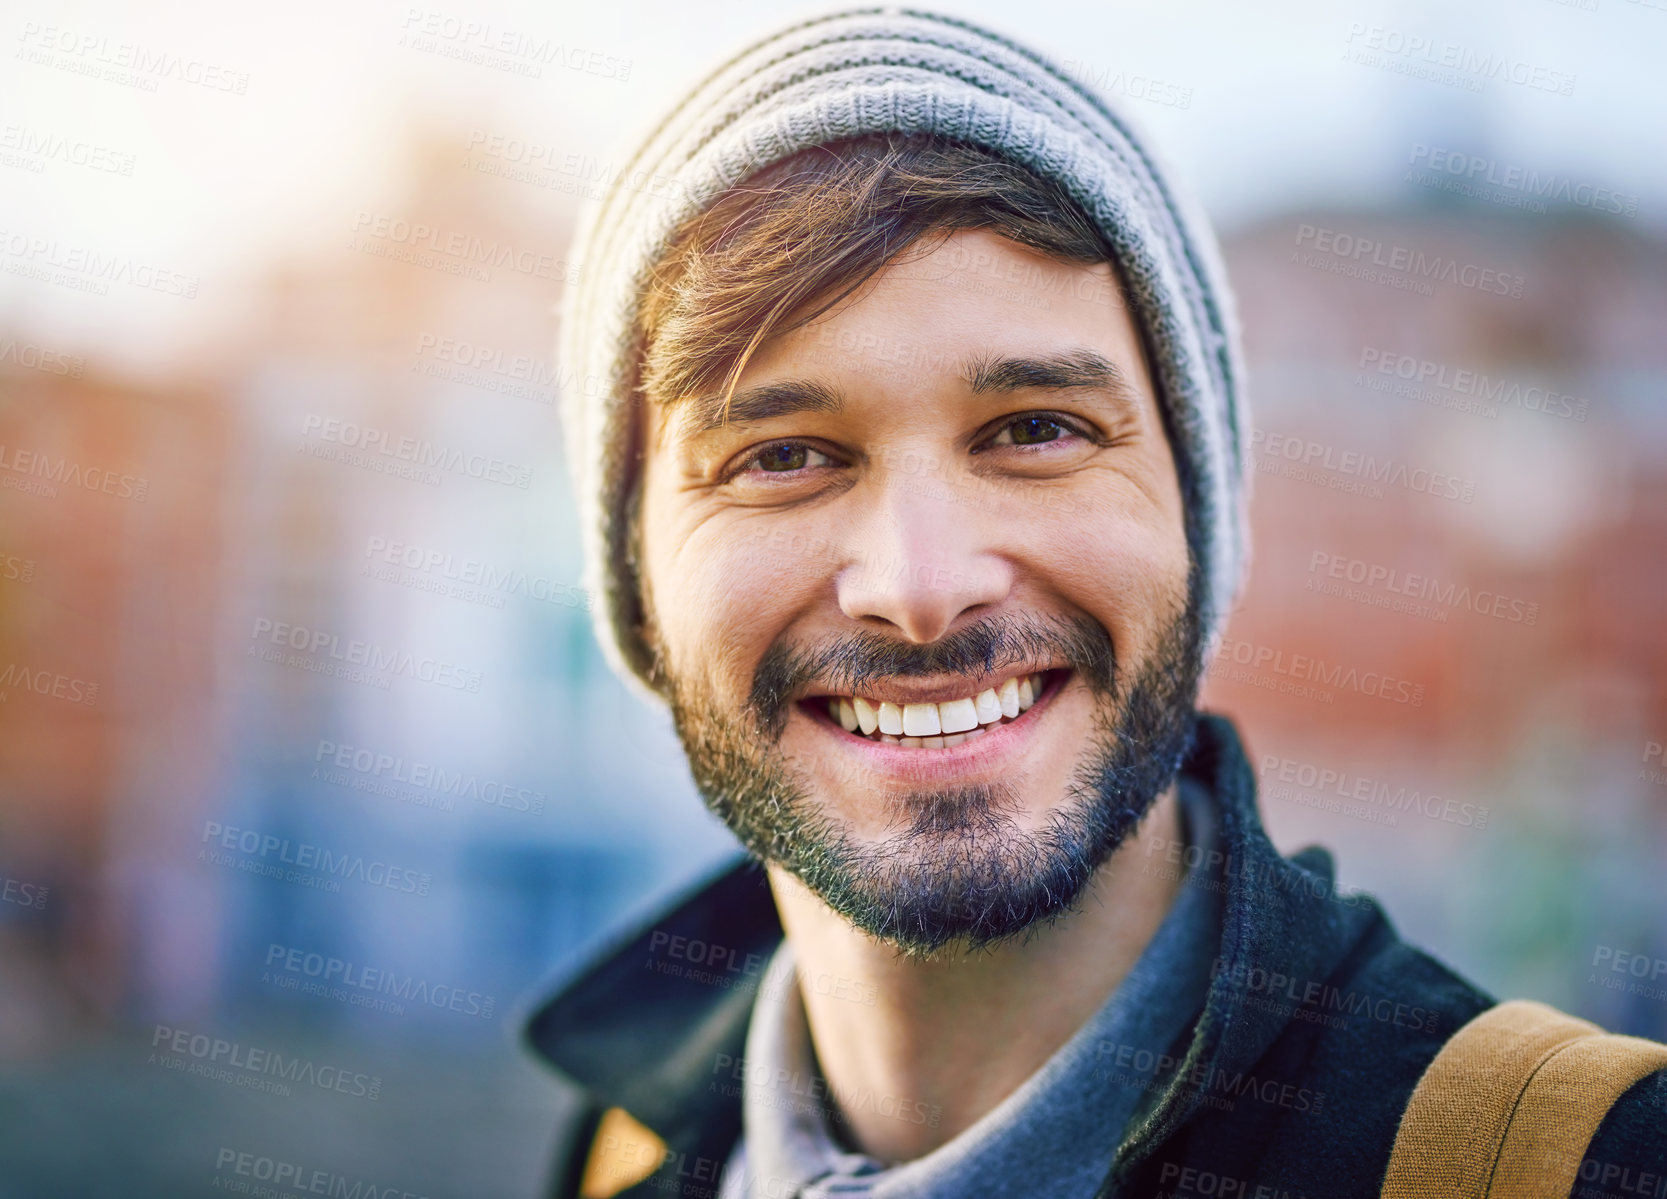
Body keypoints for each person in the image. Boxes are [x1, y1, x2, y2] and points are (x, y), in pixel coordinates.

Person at [525, 10, 1667, 1198]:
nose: (920, 586)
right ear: (635, 575)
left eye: (1034, 431)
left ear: (1195, 511)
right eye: (779, 456)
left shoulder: (1574, 1165)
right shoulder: (622, 1155)